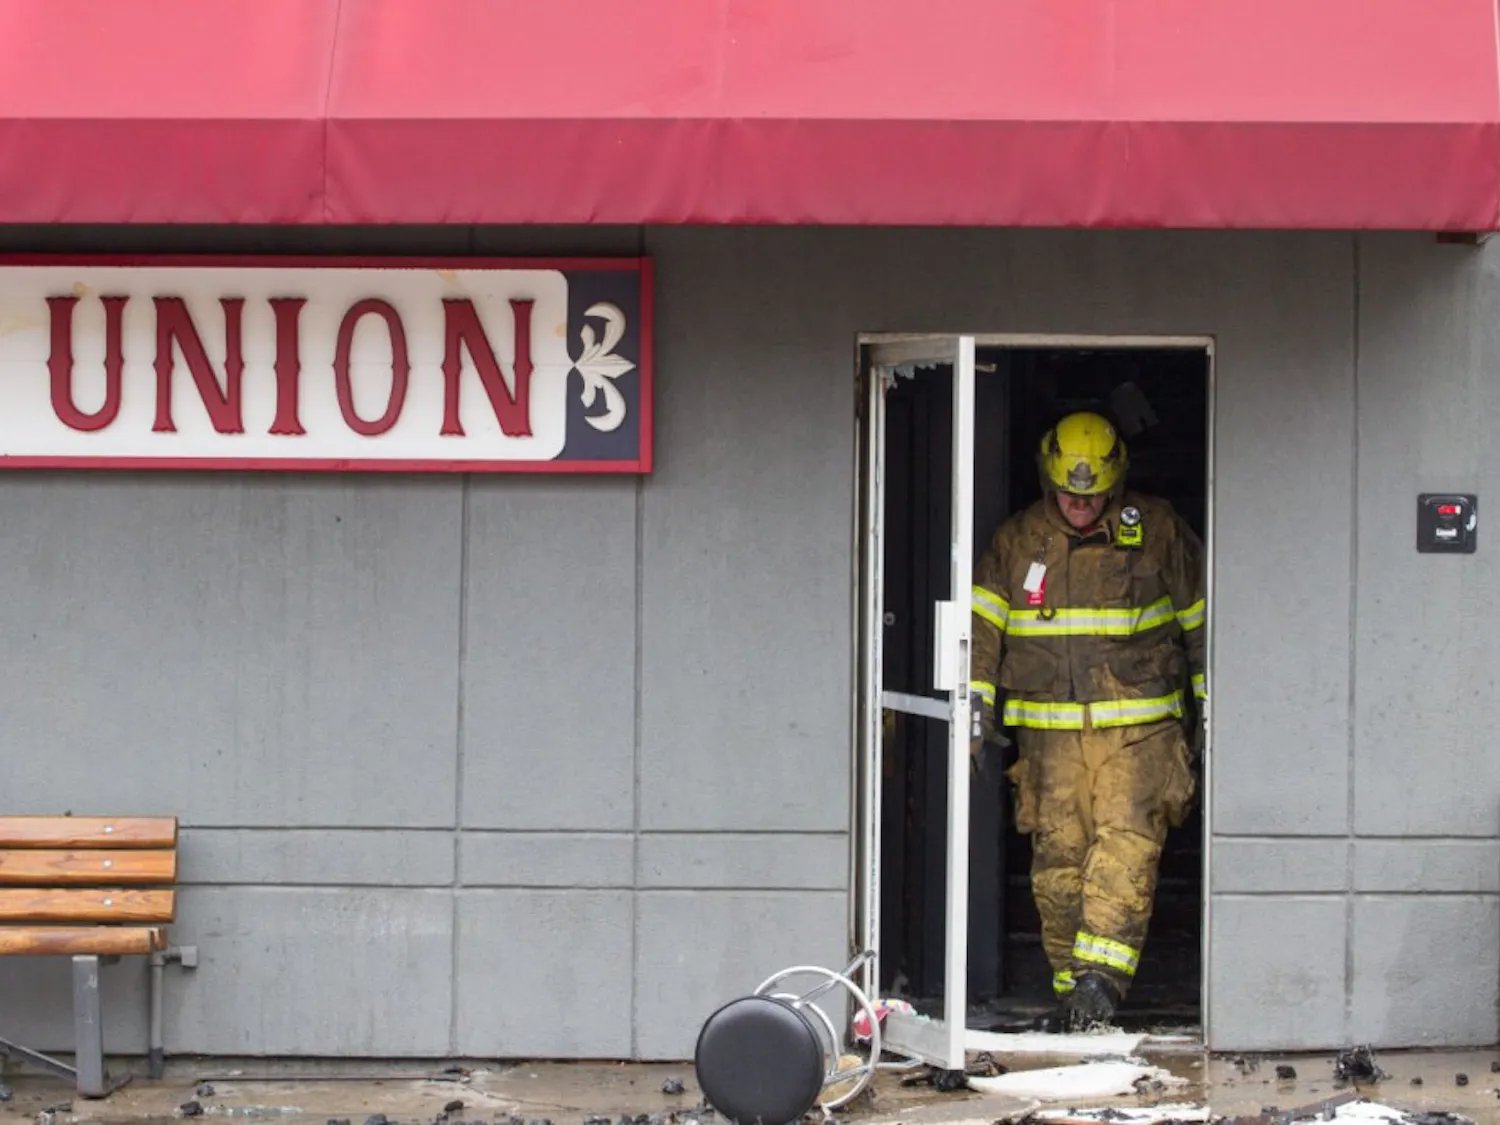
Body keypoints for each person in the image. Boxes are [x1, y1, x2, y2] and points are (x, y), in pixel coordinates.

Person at [968, 410, 1206, 1031]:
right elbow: (979, 628)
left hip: (1141, 730)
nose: (1082, 504)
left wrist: (1210, 709)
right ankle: (1073, 994)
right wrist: (974, 705)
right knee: (1059, 863)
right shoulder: (1018, 542)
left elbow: (1203, 621)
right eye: (1071, 493)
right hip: (1049, 738)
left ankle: (1100, 984)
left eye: (1094, 493)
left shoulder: (1157, 531)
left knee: (1125, 849)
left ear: (1116, 480)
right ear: (1049, 479)